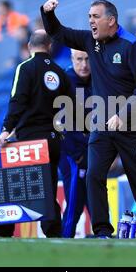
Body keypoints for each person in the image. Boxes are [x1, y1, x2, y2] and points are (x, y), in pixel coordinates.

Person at [41, 0, 136, 237]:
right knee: (94, 175)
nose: (91, 21)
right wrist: (48, 14)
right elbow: (58, 33)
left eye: (95, 17)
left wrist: (123, 113)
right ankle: (102, 231)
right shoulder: (90, 41)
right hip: (102, 125)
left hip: (133, 126)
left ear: (111, 20)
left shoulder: (133, 46)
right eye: (89, 17)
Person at [0, 29, 73, 238]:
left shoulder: (25, 68)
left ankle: (3, 231)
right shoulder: (60, 72)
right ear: (50, 46)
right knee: (47, 188)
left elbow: (17, 101)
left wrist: (6, 130)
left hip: (30, 140)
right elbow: (71, 106)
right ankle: (54, 232)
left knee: (15, 186)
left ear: (29, 46)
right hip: (54, 140)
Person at [59, 49, 92, 238]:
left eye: (87, 59)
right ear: (72, 59)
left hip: (91, 151)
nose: (84, 64)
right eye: (79, 59)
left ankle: (102, 234)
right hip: (72, 153)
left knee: (95, 198)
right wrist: (77, 154)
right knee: (75, 200)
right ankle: (65, 237)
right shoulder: (64, 82)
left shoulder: (97, 79)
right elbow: (60, 123)